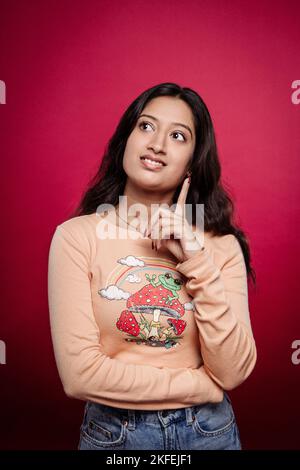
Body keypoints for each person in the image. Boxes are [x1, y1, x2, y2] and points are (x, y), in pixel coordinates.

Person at [47, 82, 257, 450]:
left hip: (210, 434)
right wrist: (202, 386)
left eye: (178, 135)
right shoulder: (77, 237)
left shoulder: (219, 246)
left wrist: (196, 260)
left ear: (193, 161)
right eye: (146, 126)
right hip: (115, 435)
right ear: (125, 140)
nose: (157, 144)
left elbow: (234, 370)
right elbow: (80, 376)